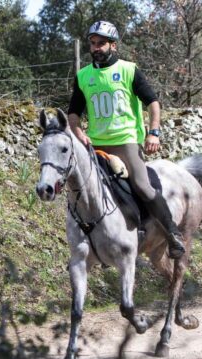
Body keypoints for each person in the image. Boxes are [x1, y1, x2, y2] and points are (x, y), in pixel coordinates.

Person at [67, 20, 185, 259]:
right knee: (80, 190)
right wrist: (79, 133)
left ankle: (172, 234)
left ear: (113, 45)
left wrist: (154, 132)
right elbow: (73, 114)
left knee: (142, 186)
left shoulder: (129, 70)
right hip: (96, 145)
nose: (96, 47)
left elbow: (153, 102)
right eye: (92, 43)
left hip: (125, 141)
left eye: (101, 43)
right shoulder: (83, 76)